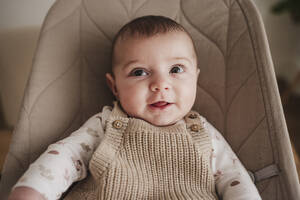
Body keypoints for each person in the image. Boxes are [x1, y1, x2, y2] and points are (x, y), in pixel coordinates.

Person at [8, 15, 261, 200]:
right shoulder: (106, 124)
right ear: (115, 86)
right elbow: (66, 156)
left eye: (176, 70)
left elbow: (233, 176)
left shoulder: (203, 132)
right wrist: (33, 190)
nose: (160, 85)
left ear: (195, 77)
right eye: (139, 72)